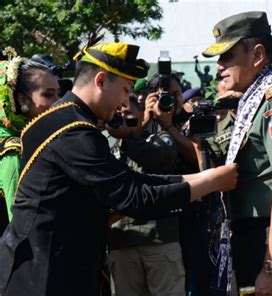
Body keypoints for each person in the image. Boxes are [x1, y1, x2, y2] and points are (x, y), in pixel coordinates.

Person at [0, 42, 238, 296]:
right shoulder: (74, 133)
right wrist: (210, 182)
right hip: (44, 276)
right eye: (125, 90)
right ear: (101, 80)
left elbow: (128, 179)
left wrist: (196, 178)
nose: (126, 101)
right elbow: (132, 197)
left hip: (44, 270)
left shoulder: (62, 120)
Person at [202, 11, 272, 295]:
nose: (219, 66)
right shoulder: (254, 101)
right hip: (256, 237)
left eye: (227, 56)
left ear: (257, 54)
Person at [106, 95, 185, 296]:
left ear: (144, 114)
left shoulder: (159, 138)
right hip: (121, 241)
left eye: (130, 116)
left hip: (158, 239)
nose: (124, 121)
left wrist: (129, 135)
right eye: (119, 116)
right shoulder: (107, 144)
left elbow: (160, 159)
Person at [0, 51, 61, 235]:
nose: (58, 103)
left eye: (59, 94)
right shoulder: (13, 151)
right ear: (22, 99)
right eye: (48, 95)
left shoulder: (29, 140)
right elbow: (20, 226)